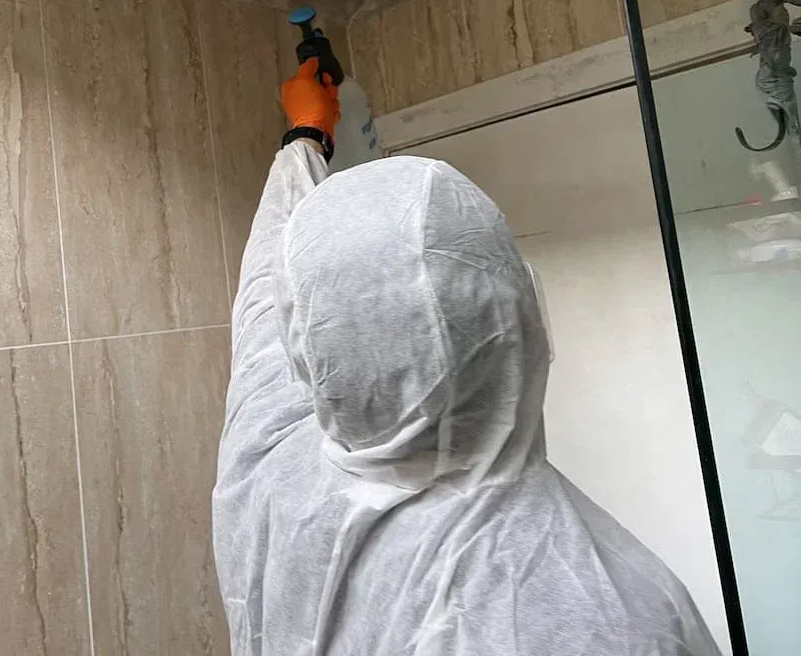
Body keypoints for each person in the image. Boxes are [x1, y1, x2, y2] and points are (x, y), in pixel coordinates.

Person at [212, 58, 721, 655]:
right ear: (521, 314)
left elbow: (263, 300)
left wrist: (306, 135)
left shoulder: (271, 461)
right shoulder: (612, 617)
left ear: (307, 344)